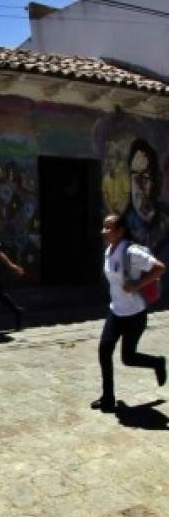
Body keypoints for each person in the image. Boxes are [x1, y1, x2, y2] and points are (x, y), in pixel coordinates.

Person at [92, 213, 166, 413]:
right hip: (115, 312)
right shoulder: (109, 250)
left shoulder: (131, 251)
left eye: (109, 228)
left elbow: (159, 268)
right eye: (104, 227)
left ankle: (158, 362)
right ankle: (108, 398)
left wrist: (137, 285)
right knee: (104, 351)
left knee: (128, 358)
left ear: (120, 231)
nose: (104, 231)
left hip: (135, 314)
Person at [123, 138, 169, 262]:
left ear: (155, 180)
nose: (138, 185)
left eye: (145, 176)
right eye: (134, 176)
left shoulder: (165, 219)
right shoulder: (123, 226)